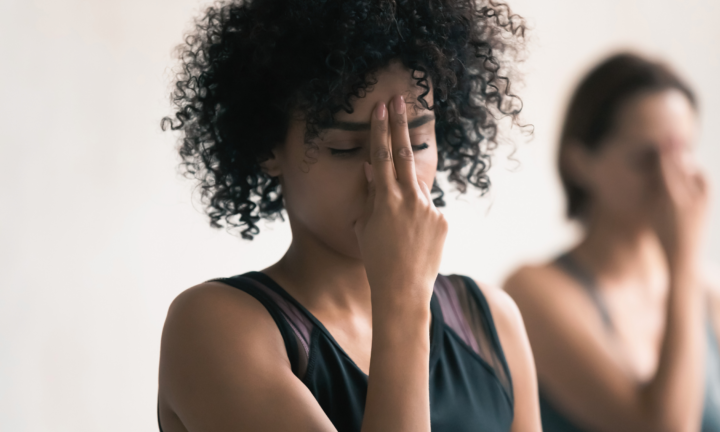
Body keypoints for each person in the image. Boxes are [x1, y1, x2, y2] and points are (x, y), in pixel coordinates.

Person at [158, 1, 541, 431]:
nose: (389, 175)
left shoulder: (491, 322)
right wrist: (403, 297)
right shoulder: (216, 328)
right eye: (345, 148)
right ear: (268, 148)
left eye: (416, 143)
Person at [504, 52, 720, 432]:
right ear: (580, 162)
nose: (670, 178)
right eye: (646, 157)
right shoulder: (533, 293)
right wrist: (684, 258)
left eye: (684, 151)